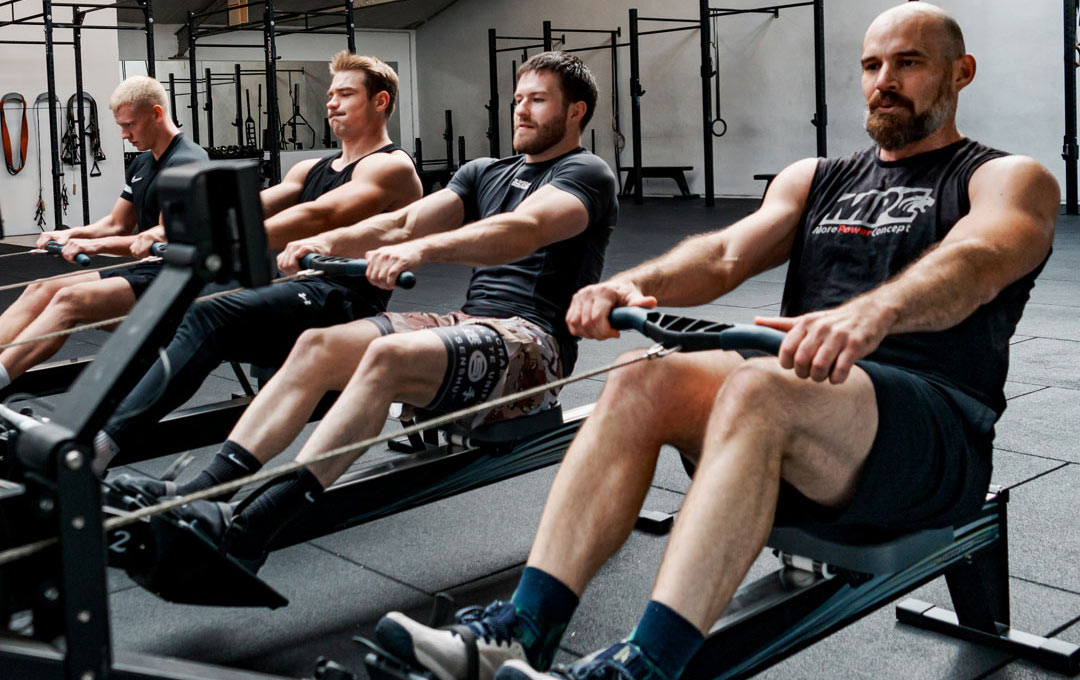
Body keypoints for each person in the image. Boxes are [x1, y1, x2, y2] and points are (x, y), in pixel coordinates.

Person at [373, 5, 1060, 680]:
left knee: (761, 385)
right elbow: (726, 253)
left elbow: (975, 260)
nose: (884, 80)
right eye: (872, 65)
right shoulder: (817, 178)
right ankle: (522, 631)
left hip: (930, 435)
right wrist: (629, 285)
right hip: (800, 413)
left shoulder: (1004, 177)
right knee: (645, 377)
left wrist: (873, 314)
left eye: (908, 63)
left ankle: (646, 669)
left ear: (960, 72)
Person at [113, 51, 618, 569]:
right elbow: (398, 225)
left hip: (533, 347)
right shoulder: (483, 172)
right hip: (473, 324)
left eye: (537, 100)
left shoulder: (586, 173)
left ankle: (252, 530)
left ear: (576, 111)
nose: (521, 111)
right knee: (316, 347)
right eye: (517, 100)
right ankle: (201, 495)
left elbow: (522, 231)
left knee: (387, 357)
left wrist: (423, 250)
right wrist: (325, 242)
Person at [92, 52, 422, 466]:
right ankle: (93, 428)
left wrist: (220, 239)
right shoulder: (308, 168)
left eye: (346, 94)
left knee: (210, 313)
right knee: (190, 312)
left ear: (380, 102)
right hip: (298, 292)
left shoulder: (391, 167)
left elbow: (320, 214)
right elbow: (250, 204)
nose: (332, 102)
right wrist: (171, 230)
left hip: (347, 303)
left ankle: (103, 445)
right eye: (331, 94)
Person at [0, 76, 206, 391]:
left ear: (156, 113)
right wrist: (68, 235)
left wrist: (93, 247)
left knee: (69, 299)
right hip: (146, 272)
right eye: (121, 126)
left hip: (179, 281)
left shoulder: (187, 162)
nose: (124, 135)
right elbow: (117, 224)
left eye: (130, 125)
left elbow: (163, 237)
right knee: (40, 288)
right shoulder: (142, 163)